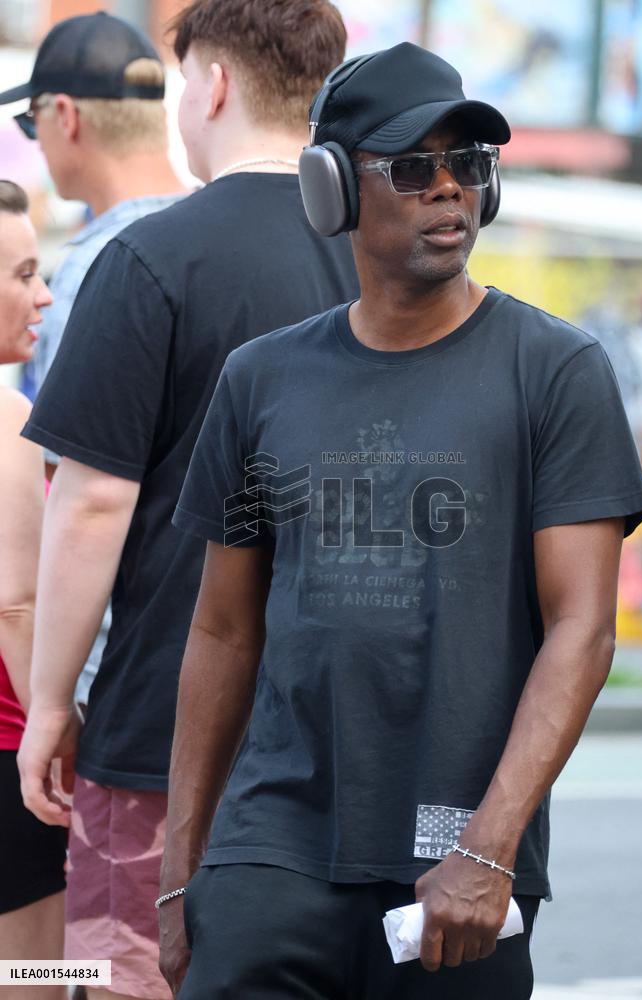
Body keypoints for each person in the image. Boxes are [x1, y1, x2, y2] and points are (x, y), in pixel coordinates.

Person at [158, 42, 642, 999]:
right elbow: (222, 629)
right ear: (331, 190)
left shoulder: (553, 372)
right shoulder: (260, 379)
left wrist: (492, 844)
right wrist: (183, 870)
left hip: (459, 864)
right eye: (413, 167)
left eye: (468, 165)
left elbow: (582, 629)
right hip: (271, 851)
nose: (448, 191)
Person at [17, 1, 357, 997]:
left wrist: (47, 702)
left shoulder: (148, 260)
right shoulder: (390, 257)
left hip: (162, 735)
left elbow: (90, 503)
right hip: (345, 740)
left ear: (209, 82)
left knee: (129, 971)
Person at [0, 10, 185, 708]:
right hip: (211, 654)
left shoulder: (98, 271)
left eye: (29, 125)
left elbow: (66, 499)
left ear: (64, 116)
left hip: (106, 669)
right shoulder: (219, 243)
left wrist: (55, 707)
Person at [0, 180, 65, 999]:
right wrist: (65, 737)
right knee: (38, 979)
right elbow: (16, 607)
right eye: (21, 274)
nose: (43, 292)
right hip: (10, 759)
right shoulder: (11, 430)